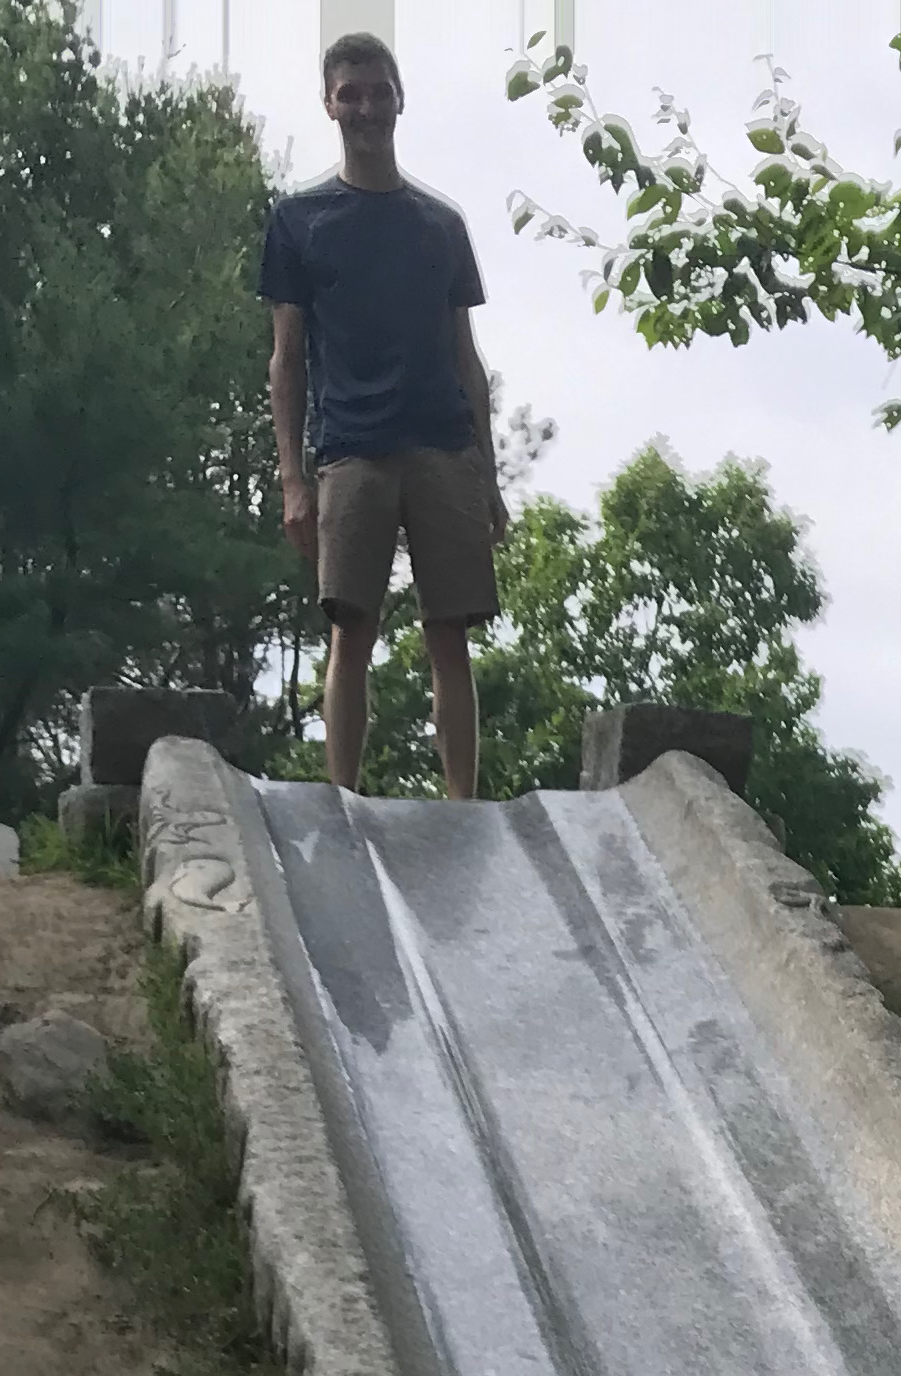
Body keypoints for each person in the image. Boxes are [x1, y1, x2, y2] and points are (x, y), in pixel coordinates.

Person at [263, 29, 508, 801]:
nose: (366, 108)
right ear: (329, 104)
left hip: (443, 446)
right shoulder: (299, 220)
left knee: (450, 634)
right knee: (352, 629)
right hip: (352, 449)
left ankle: (463, 805)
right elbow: (286, 360)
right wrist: (292, 478)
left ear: (400, 100)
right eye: (351, 94)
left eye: (378, 93)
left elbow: (468, 359)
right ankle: (342, 798)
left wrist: (490, 477)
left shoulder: (441, 225)